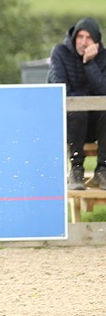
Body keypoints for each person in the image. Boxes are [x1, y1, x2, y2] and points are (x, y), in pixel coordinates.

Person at [48, 17, 106, 189]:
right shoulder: (60, 53)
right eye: (80, 37)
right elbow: (60, 88)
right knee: (77, 110)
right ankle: (76, 169)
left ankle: (102, 169)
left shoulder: (103, 58)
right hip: (70, 122)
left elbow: (104, 92)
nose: (83, 42)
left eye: (88, 38)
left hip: (96, 125)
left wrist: (89, 63)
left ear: (96, 41)